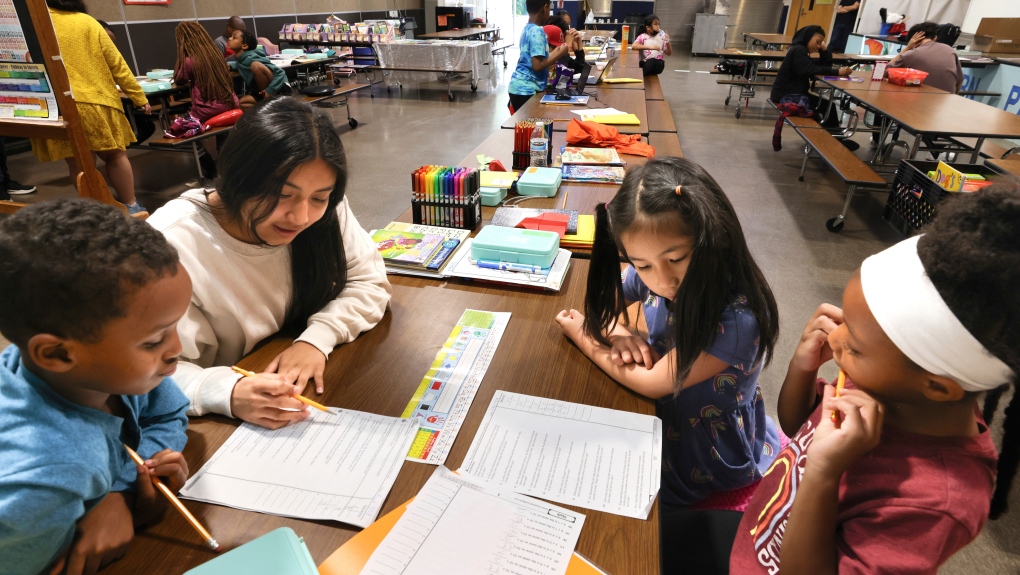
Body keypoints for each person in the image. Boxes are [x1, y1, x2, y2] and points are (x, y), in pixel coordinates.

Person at [730, 184, 1020, 574]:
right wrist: (803, 366)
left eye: (855, 345)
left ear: (936, 385)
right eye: (845, 324)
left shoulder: (937, 501)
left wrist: (823, 473)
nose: (835, 339)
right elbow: (799, 429)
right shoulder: (882, 383)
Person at [146, 98, 391, 430]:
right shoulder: (172, 243)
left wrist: (317, 339)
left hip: (285, 381)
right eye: (281, 193)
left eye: (319, 198)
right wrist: (226, 391)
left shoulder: (325, 213)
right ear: (238, 177)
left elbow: (369, 280)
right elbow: (142, 368)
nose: (301, 216)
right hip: (206, 425)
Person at [555, 157, 782, 514]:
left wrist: (583, 335)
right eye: (641, 264)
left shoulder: (738, 320)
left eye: (676, 258)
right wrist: (616, 334)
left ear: (713, 238)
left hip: (705, 448)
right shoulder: (653, 275)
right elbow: (607, 300)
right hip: (664, 417)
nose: (662, 280)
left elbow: (651, 383)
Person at [0, 199, 191, 575]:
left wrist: (124, 492)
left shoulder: (105, 376)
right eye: (154, 341)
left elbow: (169, 411)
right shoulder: (44, 479)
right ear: (56, 353)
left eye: (174, 328)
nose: (177, 350)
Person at [32, 0, 152, 215]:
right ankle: (131, 205)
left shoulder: (35, 22)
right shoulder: (87, 22)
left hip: (58, 105)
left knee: (78, 163)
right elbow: (117, 63)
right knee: (115, 156)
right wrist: (138, 96)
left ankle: (95, 213)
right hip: (97, 101)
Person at [174, 21, 241, 177]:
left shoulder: (190, 61)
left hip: (208, 109)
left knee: (183, 128)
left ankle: (210, 168)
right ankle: (227, 163)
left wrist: (181, 54)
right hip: (230, 104)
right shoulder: (215, 55)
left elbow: (178, 80)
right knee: (223, 134)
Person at [770, 25, 854, 148]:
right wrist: (837, 72)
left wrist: (824, 51)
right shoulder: (798, 50)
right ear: (808, 37)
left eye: (821, 44)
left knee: (826, 106)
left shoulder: (801, 51)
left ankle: (835, 139)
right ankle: (836, 141)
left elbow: (822, 64)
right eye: (817, 42)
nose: (818, 46)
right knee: (826, 107)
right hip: (787, 96)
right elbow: (808, 69)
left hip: (793, 94)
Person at [507, 0, 571, 114]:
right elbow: (537, 65)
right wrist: (560, 54)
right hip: (526, 89)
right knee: (533, 128)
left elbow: (537, 59)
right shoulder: (538, 31)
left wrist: (556, 52)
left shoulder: (527, 28)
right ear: (545, 8)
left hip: (518, 88)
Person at [889, 21, 963, 94]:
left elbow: (886, 71)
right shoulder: (950, 50)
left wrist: (907, 48)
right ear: (935, 37)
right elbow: (960, 80)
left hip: (920, 101)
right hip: (948, 100)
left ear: (912, 40)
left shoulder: (911, 54)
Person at [229, 29, 290, 110]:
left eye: (234, 37)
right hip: (262, 91)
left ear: (244, 45)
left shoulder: (252, 58)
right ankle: (271, 108)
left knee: (256, 66)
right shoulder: (241, 60)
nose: (229, 38)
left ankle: (268, 101)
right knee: (241, 103)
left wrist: (270, 90)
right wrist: (230, 66)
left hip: (279, 88)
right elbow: (239, 64)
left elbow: (280, 72)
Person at [543, 24, 585, 90]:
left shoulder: (554, 58)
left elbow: (578, 70)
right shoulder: (541, 60)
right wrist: (567, 46)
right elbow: (560, 78)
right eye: (555, 47)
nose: (558, 50)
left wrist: (579, 44)